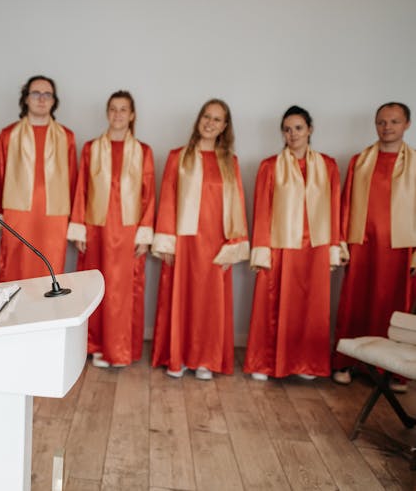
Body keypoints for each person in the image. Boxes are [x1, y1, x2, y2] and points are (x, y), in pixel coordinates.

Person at [150, 99, 249, 380]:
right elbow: (168, 197)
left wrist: (233, 245)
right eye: (206, 116)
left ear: (225, 126)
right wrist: (167, 241)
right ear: (198, 119)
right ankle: (177, 357)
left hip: (216, 242)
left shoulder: (231, 162)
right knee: (181, 297)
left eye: (217, 119)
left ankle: (206, 359)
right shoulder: (178, 157)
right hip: (185, 241)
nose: (210, 123)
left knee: (210, 302)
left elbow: (238, 203)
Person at [243, 106, 342, 381]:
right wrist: (261, 249)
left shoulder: (328, 166)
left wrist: (333, 249)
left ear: (310, 129)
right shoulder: (270, 166)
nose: (292, 134)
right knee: (272, 305)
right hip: (280, 245)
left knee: (310, 309)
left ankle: (305, 363)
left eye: (298, 127)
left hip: (316, 247)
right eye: (287, 129)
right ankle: (264, 363)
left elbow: (334, 208)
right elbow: (262, 210)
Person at [67, 91, 155, 367]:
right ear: (107, 113)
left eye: (123, 109)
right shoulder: (91, 148)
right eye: (113, 109)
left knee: (123, 290)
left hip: (128, 231)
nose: (118, 114)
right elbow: (82, 188)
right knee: (95, 287)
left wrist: (145, 232)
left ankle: (118, 348)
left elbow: (148, 193)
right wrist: (79, 227)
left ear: (132, 115)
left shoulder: (143, 151)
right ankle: (94, 346)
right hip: (96, 229)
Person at [333, 102, 416, 391]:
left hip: (399, 249)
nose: (387, 127)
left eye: (394, 121)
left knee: (394, 306)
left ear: (407, 124)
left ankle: (395, 371)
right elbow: (346, 204)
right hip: (363, 244)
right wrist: (341, 243)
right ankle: (347, 362)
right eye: (381, 121)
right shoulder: (361, 161)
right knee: (355, 302)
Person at [0, 75, 77, 282]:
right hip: (17, 216)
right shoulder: (8, 135)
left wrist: (74, 219)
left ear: (54, 100)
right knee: (15, 273)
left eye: (47, 94)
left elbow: (73, 180)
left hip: (53, 217)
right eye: (36, 93)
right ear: (26, 98)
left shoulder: (66, 136)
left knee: (50, 274)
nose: (41, 99)